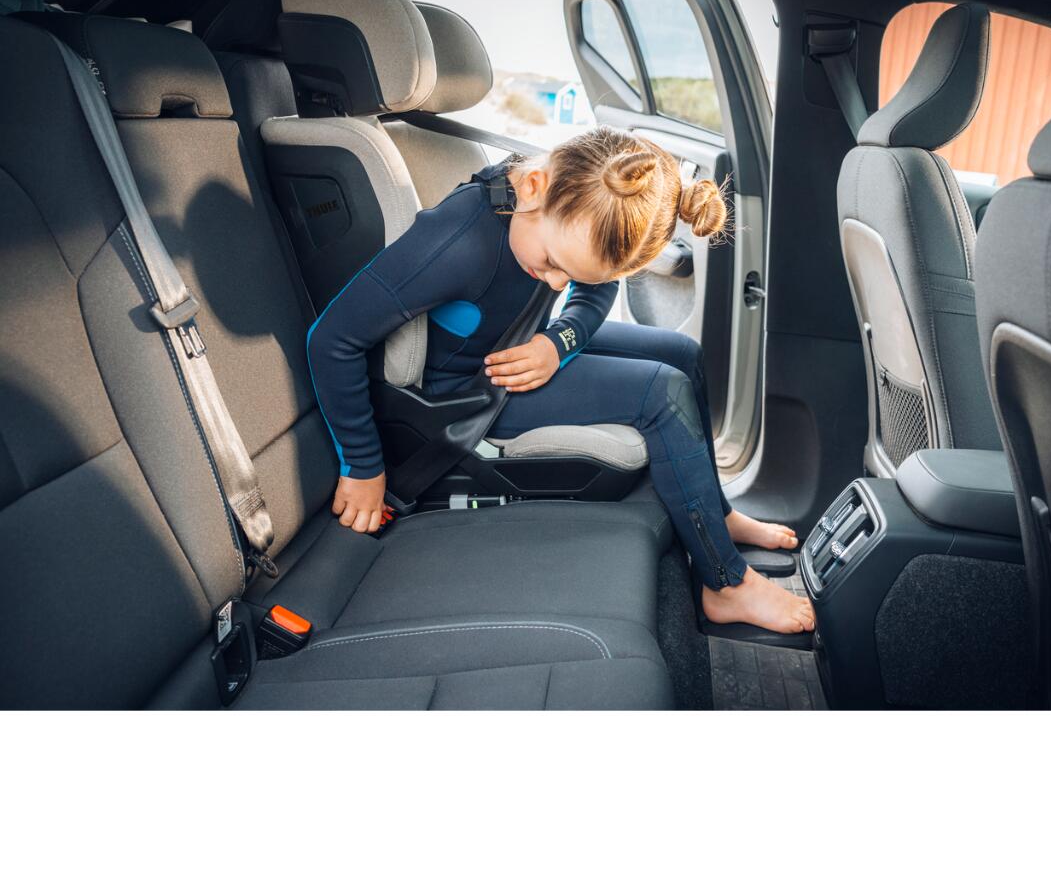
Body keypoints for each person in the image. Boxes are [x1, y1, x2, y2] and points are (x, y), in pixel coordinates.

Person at [307, 124, 816, 634]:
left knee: (681, 354)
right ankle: (725, 584)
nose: (555, 281)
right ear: (533, 187)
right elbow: (333, 339)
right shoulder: (457, 241)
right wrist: (363, 467)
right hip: (469, 394)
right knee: (663, 393)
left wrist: (558, 342)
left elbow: (595, 292)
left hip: (519, 345)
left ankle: (715, 516)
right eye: (553, 263)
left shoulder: (566, 203)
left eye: (570, 274)